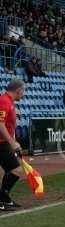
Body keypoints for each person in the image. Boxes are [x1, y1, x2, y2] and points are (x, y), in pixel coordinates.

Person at [0, 79, 25, 211]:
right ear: (18, 90)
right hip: (1, 143)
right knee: (15, 170)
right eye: (23, 91)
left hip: (4, 142)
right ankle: (2, 199)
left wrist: (14, 141)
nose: (24, 94)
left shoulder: (9, 102)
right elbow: (0, 124)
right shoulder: (4, 101)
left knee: (14, 170)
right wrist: (11, 142)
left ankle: (5, 199)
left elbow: (9, 126)